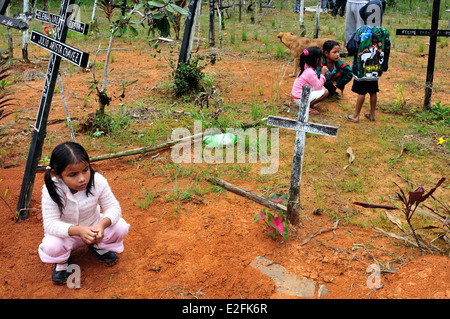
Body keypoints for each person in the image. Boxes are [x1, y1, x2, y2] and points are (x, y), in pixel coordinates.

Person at [38, 142, 130, 285]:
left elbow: (113, 207)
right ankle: (62, 261)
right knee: (51, 246)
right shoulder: (51, 190)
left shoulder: (97, 181)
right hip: (67, 235)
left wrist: (101, 225)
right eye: (73, 174)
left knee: (121, 227)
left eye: (86, 170)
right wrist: (78, 230)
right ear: (57, 175)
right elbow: (50, 224)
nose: (82, 178)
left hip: (94, 229)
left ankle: (98, 246)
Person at [346, 25, 391, 122]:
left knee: (361, 92)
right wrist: (384, 64)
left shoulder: (361, 30)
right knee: (373, 91)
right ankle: (372, 114)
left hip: (362, 69)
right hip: (376, 69)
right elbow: (387, 47)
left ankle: (356, 116)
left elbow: (351, 47)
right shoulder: (383, 31)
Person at [291, 46, 329, 115]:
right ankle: (305, 107)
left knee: (323, 88)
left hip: (297, 96)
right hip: (300, 98)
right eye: (321, 58)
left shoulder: (306, 66)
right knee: (325, 92)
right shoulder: (310, 72)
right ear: (317, 60)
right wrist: (323, 74)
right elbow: (319, 87)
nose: (322, 60)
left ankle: (307, 104)